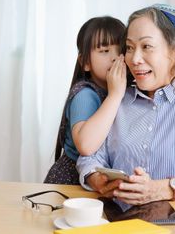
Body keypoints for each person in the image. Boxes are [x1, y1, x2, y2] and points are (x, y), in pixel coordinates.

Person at [77, 4, 175, 205]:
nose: (135, 59)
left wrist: (163, 189)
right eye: (130, 48)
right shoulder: (116, 100)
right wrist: (100, 181)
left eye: (146, 46)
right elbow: (89, 159)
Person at [44, 16, 127, 185]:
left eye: (121, 51)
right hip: (71, 183)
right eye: (104, 51)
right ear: (85, 62)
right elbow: (86, 146)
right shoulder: (85, 95)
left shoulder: (125, 92)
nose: (114, 58)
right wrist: (115, 95)